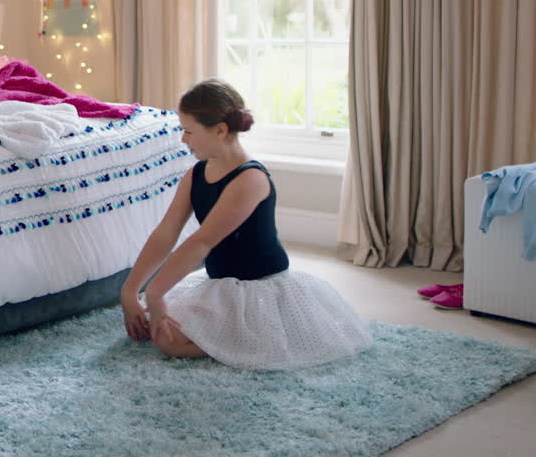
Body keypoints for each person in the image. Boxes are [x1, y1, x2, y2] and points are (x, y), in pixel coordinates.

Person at [119, 78, 372, 369]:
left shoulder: (249, 179)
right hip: (219, 281)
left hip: (259, 288)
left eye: (188, 131)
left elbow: (201, 242)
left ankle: (261, 337)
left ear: (221, 130)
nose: (183, 140)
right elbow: (166, 232)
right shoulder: (197, 174)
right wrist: (130, 290)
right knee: (156, 326)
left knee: (170, 342)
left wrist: (155, 292)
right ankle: (232, 335)